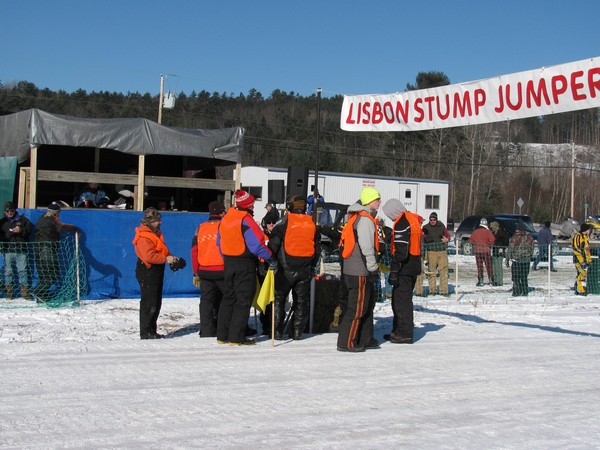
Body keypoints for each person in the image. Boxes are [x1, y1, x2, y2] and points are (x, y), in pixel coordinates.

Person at [216, 189, 273, 346]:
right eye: (252, 204)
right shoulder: (246, 220)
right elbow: (256, 246)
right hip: (244, 263)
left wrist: (226, 258)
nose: (253, 207)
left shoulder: (226, 218)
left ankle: (222, 334)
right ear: (248, 205)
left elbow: (218, 243)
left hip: (228, 262)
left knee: (228, 298)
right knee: (243, 299)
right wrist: (270, 257)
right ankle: (236, 337)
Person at [268, 195, 320, 340]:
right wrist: (312, 266)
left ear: (290, 207)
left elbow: (274, 243)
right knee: (301, 302)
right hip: (305, 269)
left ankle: (276, 332)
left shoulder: (284, 221)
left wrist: (269, 259)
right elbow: (317, 249)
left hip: (285, 269)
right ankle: (297, 333)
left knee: (279, 299)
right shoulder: (312, 224)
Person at [336, 187, 382, 352]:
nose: (379, 201)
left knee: (366, 305)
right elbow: (367, 247)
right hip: (360, 271)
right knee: (357, 308)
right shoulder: (365, 220)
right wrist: (373, 268)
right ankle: (346, 343)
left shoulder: (356, 217)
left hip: (351, 269)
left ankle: (365, 338)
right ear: (369, 201)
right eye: (377, 199)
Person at [132, 207, 181, 339]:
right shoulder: (144, 237)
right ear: (150, 221)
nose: (160, 223)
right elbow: (149, 256)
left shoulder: (154, 233)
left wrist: (172, 258)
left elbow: (161, 250)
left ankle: (151, 330)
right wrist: (166, 259)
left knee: (155, 301)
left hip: (154, 270)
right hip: (147, 270)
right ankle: (146, 332)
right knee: (149, 302)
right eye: (157, 220)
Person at [382, 198, 422, 344]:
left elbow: (401, 250)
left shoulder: (401, 222)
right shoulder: (411, 218)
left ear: (394, 211)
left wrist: (394, 270)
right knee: (401, 300)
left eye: (388, 214)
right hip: (414, 264)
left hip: (405, 267)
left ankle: (404, 333)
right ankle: (398, 331)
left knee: (401, 302)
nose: (389, 217)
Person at [191, 201, 227, 338]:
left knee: (206, 302)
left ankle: (206, 330)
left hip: (204, 270)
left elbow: (194, 250)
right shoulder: (224, 227)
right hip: (222, 270)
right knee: (226, 300)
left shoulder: (200, 228)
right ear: (221, 212)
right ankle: (223, 328)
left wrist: (196, 271)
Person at [32, 202, 80, 302]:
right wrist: (74, 228)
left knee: (43, 275)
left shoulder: (41, 218)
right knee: (52, 274)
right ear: (56, 212)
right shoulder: (51, 219)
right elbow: (61, 227)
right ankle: (37, 291)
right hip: (47, 249)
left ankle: (42, 296)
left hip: (38, 249)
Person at [1, 202, 33, 299]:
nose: (10, 213)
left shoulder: (23, 220)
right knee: (8, 271)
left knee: (23, 270)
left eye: (12, 211)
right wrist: (11, 232)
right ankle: (9, 291)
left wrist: (21, 231)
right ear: (4, 212)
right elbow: (2, 236)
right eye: (7, 211)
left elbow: (29, 232)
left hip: (21, 249)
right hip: (8, 250)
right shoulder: (2, 222)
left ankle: (24, 292)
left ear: (15, 210)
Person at [258, 209, 279, 336]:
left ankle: (274, 325)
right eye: (269, 222)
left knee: (276, 299)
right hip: (263, 270)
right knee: (265, 299)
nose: (271, 224)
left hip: (276, 270)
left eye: (274, 222)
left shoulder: (279, 236)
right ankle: (266, 325)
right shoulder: (262, 236)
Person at [421, 212, 450, 296]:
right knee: (431, 272)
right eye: (431, 219)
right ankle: (432, 290)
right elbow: (422, 238)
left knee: (443, 271)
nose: (432, 221)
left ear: (437, 219)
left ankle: (443, 291)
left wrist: (447, 239)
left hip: (442, 251)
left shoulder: (441, 226)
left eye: (434, 219)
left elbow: (448, 235)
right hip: (431, 252)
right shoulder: (425, 227)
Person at [507, 222, 535, 296]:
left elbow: (511, 248)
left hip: (516, 260)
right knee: (524, 276)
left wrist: (508, 258)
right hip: (526, 260)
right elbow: (532, 248)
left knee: (516, 277)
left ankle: (517, 291)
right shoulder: (530, 237)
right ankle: (525, 291)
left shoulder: (515, 237)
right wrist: (530, 256)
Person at [469, 218, 495, 286]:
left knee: (479, 266)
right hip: (486, 251)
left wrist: (475, 245)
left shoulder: (475, 231)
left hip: (478, 251)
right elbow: (492, 240)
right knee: (488, 266)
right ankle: (491, 279)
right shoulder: (488, 232)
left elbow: (471, 240)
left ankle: (480, 280)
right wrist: (488, 244)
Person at [572, 223, 592, 296]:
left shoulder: (586, 237)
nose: (589, 231)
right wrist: (581, 260)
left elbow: (587, 250)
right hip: (578, 260)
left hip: (584, 260)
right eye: (588, 229)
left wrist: (589, 260)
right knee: (582, 273)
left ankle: (578, 287)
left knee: (581, 274)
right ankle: (580, 290)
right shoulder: (577, 236)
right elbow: (576, 249)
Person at [490, 221, 510, 286]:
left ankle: (500, 281)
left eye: (492, 227)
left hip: (500, 251)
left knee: (499, 266)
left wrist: (502, 248)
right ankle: (495, 280)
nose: (492, 228)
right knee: (494, 266)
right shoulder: (493, 233)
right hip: (494, 250)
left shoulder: (502, 232)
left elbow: (506, 242)